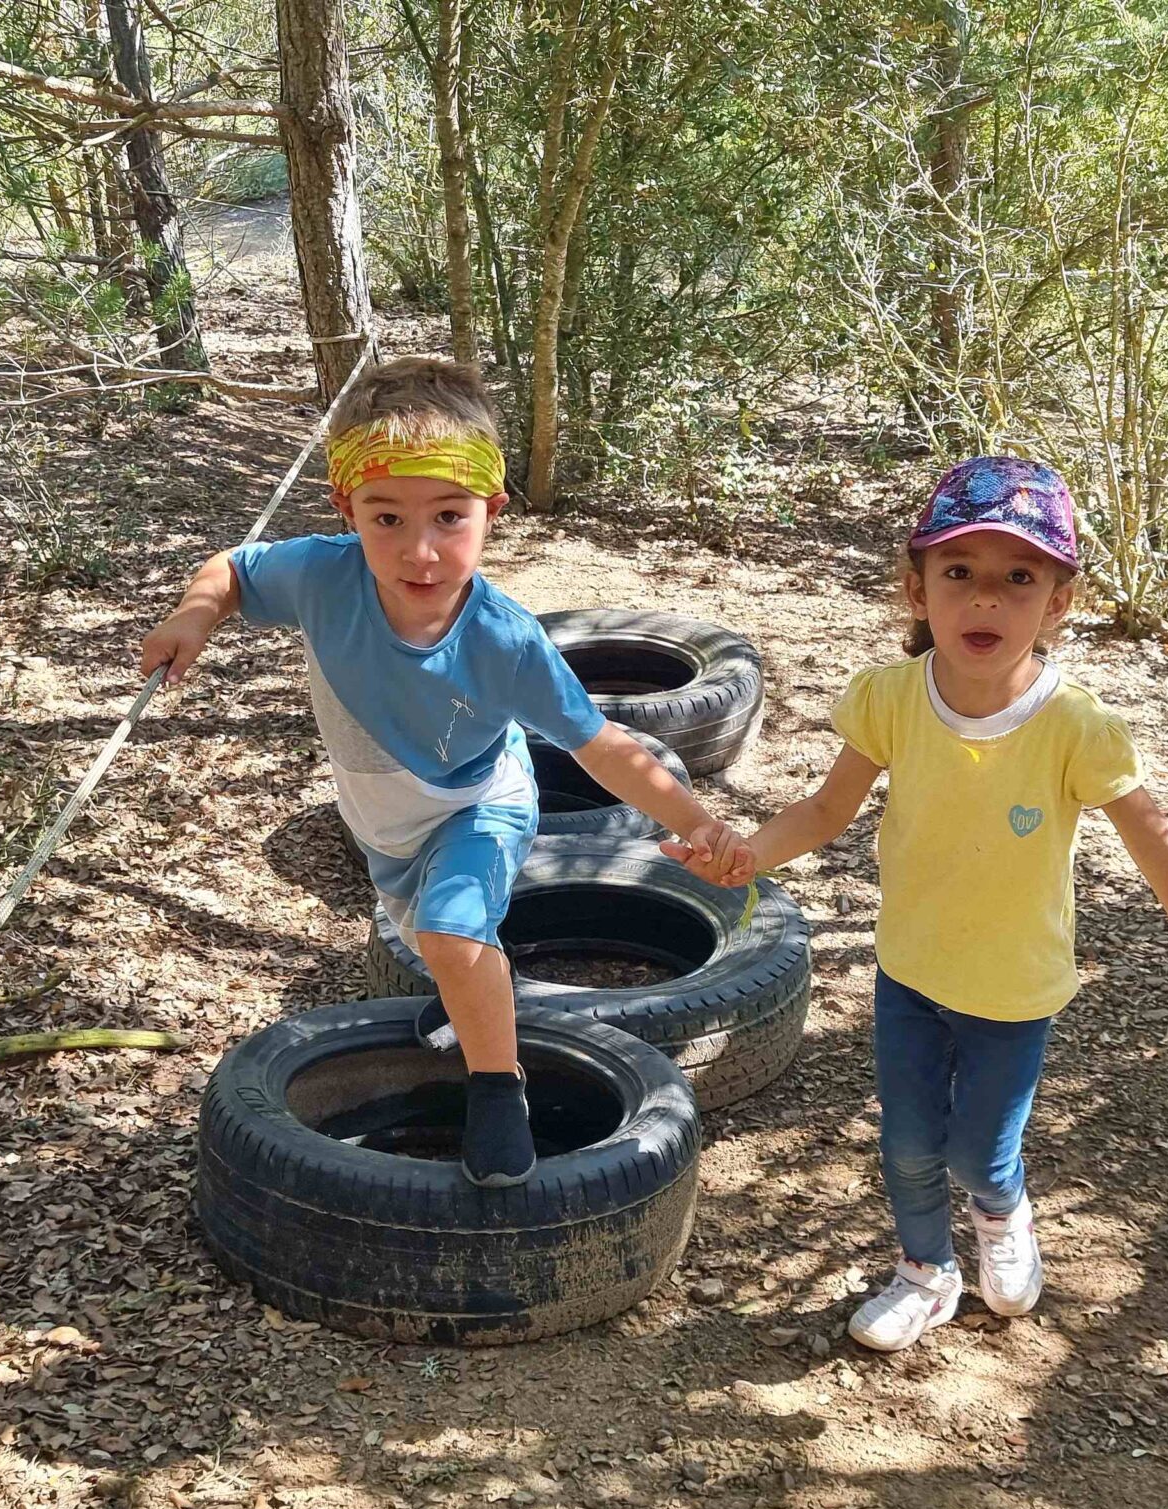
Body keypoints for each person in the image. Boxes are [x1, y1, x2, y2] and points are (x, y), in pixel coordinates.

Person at [677, 455, 1168, 1351]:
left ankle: (1003, 1211)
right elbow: (828, 809)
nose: (987, 600)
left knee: (978, 1150)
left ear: (1058, 603)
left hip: (1014, 989)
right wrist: (747, 854)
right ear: (917, 589)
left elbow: (1157, 848)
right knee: (906, 1143)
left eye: (1018, 578)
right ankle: (926, 1272)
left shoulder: (1076, 727)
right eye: (960, 574)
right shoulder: (891, 697)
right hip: (911, 968)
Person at [138, 356, 741, 1187]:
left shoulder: (506, 639)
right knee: (449, 942)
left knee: (451, 933)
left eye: (449, 517)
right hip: (384, 822)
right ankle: (467, 1003)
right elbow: (233, 569)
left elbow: (601, 745)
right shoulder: (321, 574)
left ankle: (499, 1086)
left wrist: (698, 825)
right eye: (386, 518)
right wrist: (193, 615)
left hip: (480, 803)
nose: (418, 550)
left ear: (491, 511)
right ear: (345, 509)